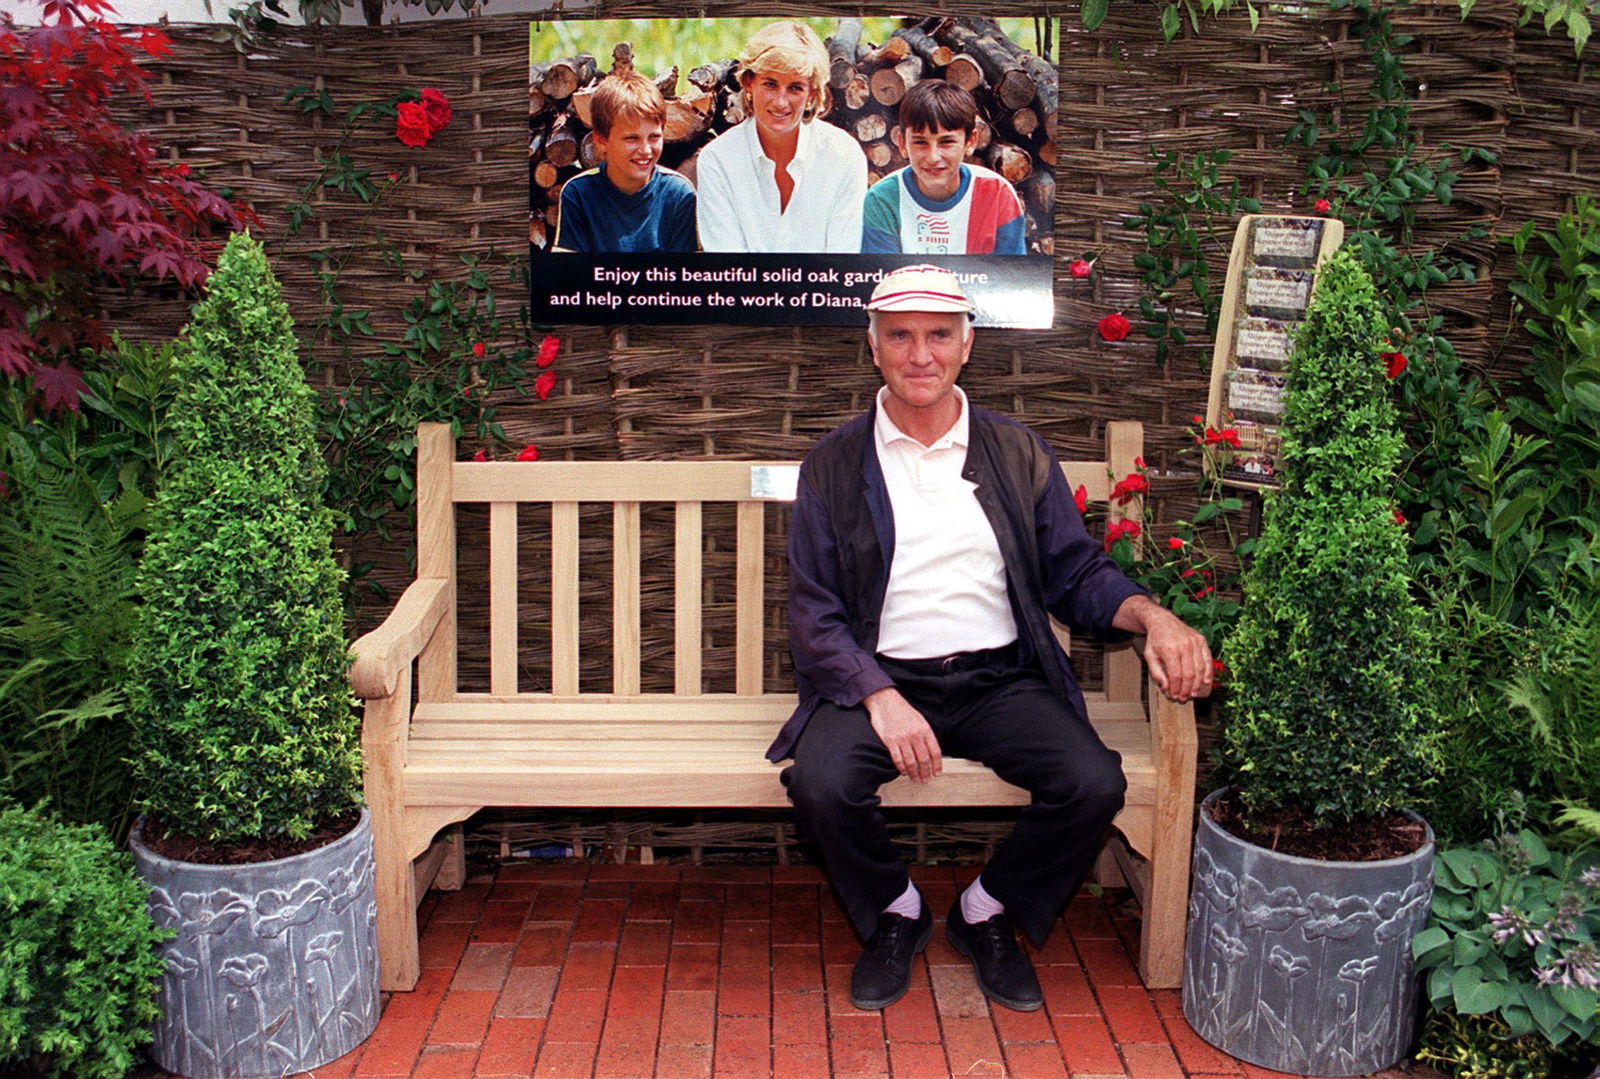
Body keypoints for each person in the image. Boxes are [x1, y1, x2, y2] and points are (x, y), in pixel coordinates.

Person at [770, 265, 1212, 1012]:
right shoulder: (835, 464)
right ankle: (895, 911)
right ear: (872, 346)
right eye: (900, 336)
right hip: (882, 681)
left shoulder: (1015, 452)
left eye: (938, 335)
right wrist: (878, 693)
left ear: (966, 343)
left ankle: (989, 909)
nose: (921, 355)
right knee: (819, 781)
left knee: (1093, 781)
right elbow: (814, 614)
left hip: (999, 681)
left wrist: (1152, 615)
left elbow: (1075, 571)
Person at [695, 21, 867, 253]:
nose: (780, 102)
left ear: (812, 93)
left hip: (826, 290)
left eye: (795, 87)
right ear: (748, 82)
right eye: (770, 84)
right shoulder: (717, 159)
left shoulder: (843, 154)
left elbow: (843, 263)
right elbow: (728, 269)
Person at [861, 80, 1027, 255]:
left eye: (946, 142)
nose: (933, 157)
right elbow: (882, 278)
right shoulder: (882, 199)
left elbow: (1010, 275)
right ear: (902, 144)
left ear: (970, 142)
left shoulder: (998, 194)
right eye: (920, 142)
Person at [553, 72, 697, 254]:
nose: (645, 150)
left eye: (654, 137)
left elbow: (687, 275)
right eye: (631, 139)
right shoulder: (578, 194)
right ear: (601, 140)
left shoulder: (678, 194)